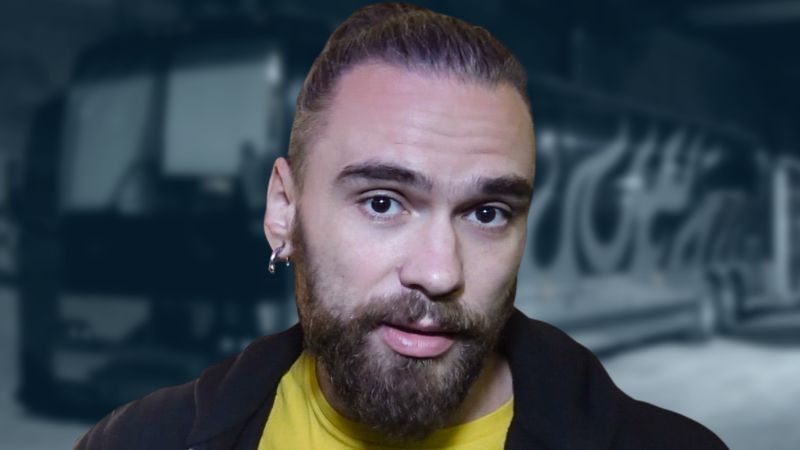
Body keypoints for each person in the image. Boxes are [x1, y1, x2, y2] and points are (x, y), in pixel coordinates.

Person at [75, 3, 728, 449]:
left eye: (487, 213)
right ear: (284, 210)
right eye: (383, 202)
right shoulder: (138, 442)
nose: (439, 272)